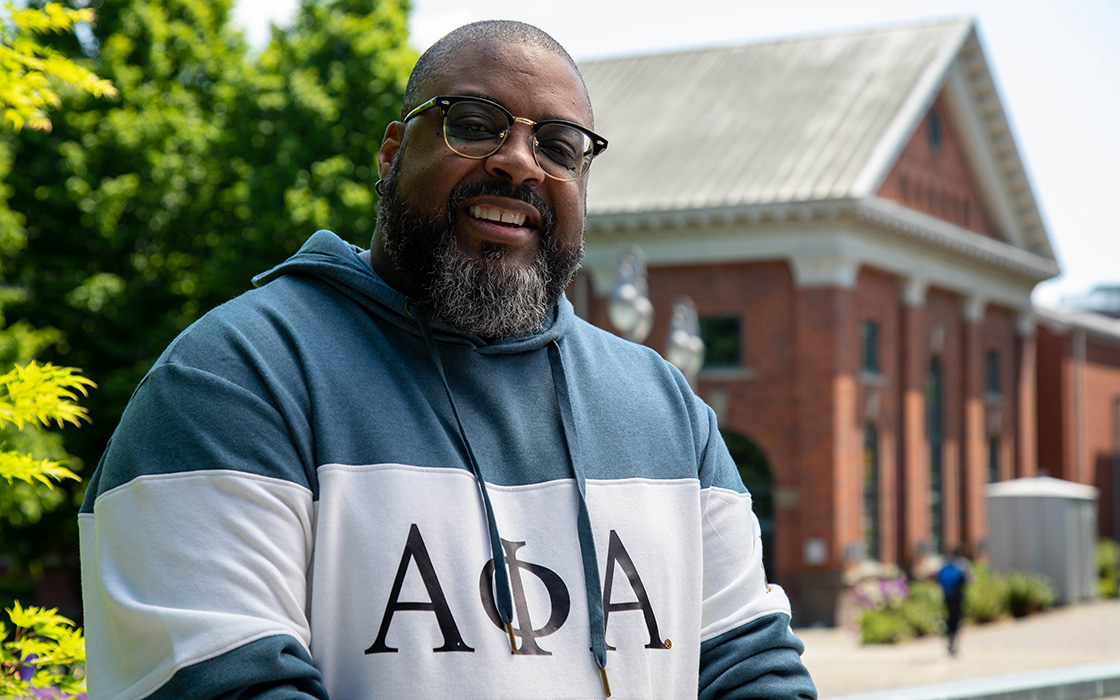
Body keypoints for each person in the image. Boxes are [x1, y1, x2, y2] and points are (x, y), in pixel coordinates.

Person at [79, 20, 817, 700]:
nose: (519, 161)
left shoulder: (664, 406)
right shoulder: (235, 377)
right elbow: (220, 685)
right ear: (394, 153)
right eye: (473, 124)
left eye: (560, 146)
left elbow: (750, 670)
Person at [936, 548, 971, 656]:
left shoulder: (944, 565)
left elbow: (938, 579)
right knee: (956, 620)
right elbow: (969, 580)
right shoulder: (961, 565)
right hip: (958, 596)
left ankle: (950, 642)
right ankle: (954, 643)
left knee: (949, 619)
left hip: (947, 596)